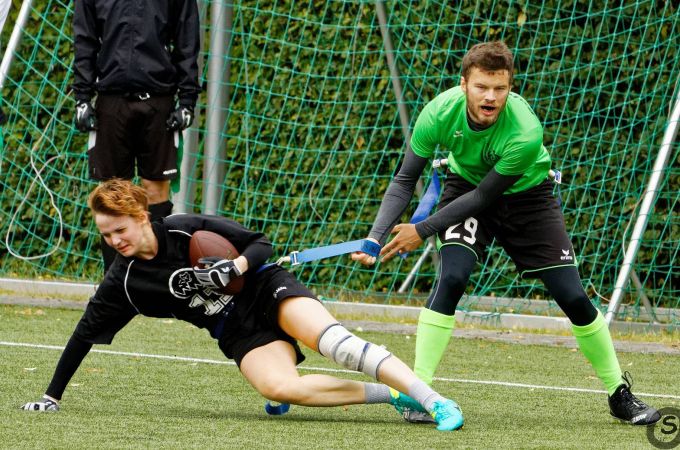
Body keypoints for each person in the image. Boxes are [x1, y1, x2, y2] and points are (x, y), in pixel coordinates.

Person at [352, 41, 660, 426]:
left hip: (527, 197)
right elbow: (404, 180)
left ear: (510, 88)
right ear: (464, 84)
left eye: (500, 88)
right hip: (464, 186)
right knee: (452, 277)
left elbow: (486, 196)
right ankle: (420, 394)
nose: (491, 97)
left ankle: (619, 394)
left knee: (573, 296)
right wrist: (375, 236)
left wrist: (422, 230)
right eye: (482, 87)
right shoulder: (437, 113)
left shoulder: (526, 130)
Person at [20, 179, 464, 432]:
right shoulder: (124, 282)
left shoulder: (183, 228)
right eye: (106, 235)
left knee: (337, 345)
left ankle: (433, 399)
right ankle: (396, 395)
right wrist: (50, 395)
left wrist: (233, 266)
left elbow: (261, 243)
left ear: (141, 218)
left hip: (264, 289)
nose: (115, 241)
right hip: (234, 330)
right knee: (279, 388)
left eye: (119, 230)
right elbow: (83, 333)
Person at [72, 0, 201, 270]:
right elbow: (84, 40)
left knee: (155, 190)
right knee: (110, 194)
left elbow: (187, 42)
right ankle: (114, 282)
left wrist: (187, 100)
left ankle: (154, 278)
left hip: (159, 103)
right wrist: (82, 97)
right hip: (110, 102)